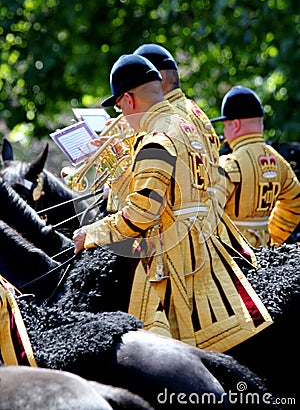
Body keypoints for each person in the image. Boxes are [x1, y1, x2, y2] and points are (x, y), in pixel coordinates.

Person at [73, 54, 272, 352]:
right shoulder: (185, 122)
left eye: (119, 106)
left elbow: (141, 213)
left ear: (128, 99)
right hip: (210, 241)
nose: (121, 115)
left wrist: (92, 233)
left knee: (155, 355)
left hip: (178, 259)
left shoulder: (156, 139)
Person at [211, 85, 300, 248]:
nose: (224, 131)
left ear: (235, 125)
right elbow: (295, 202)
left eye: (225, 125)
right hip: (264, 253)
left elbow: (206, 213)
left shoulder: (230, 164)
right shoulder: (280, 163)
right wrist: (273, 236)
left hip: (232, 257)